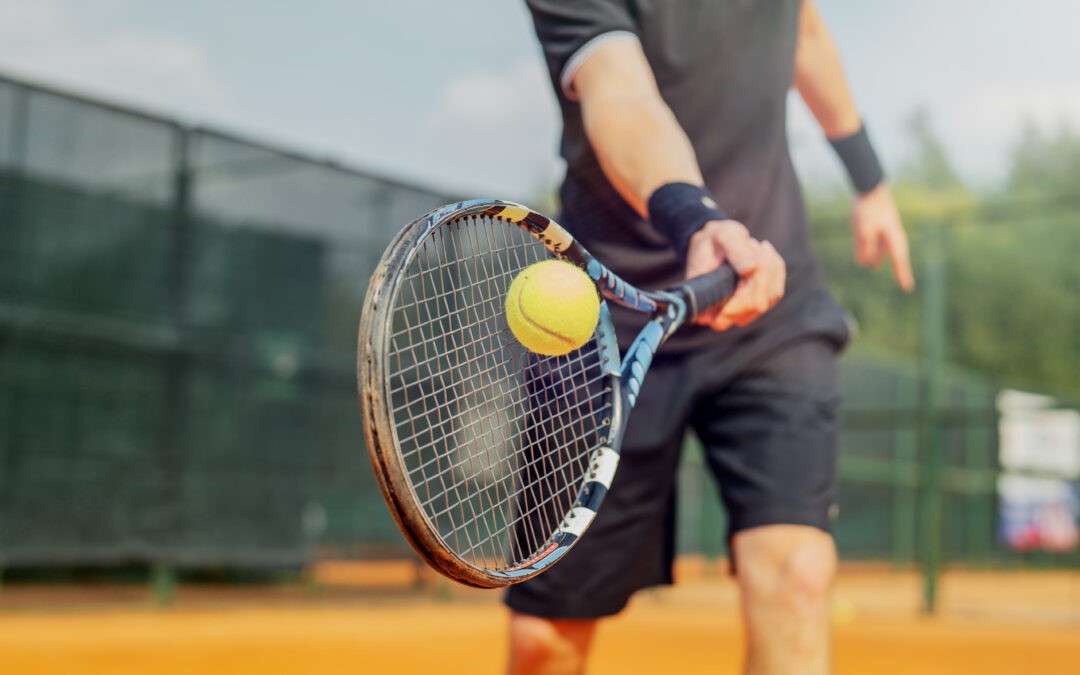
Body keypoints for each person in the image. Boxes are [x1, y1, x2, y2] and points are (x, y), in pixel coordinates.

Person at [507, 1, 913, 674]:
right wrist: (694, 218)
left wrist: (869, 179)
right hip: (605, 312)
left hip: (769, 302)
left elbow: (803, 28)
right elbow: (621, 89)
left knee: (797, 576)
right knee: (548, 639)